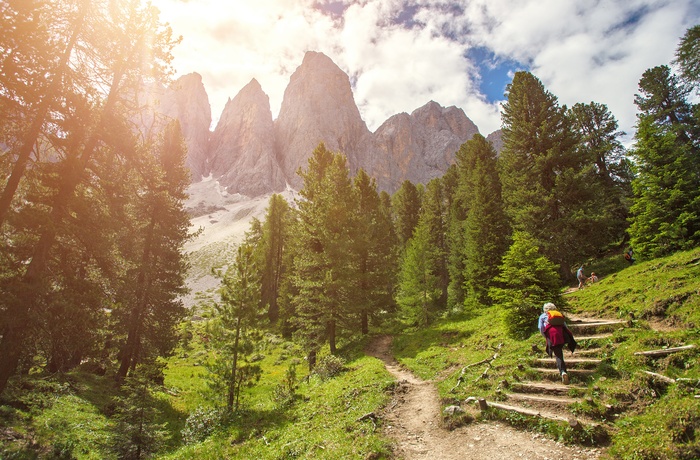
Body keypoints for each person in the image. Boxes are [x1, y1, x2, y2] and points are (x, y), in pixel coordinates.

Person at [538, 302, 576, 385]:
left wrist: (545, 336)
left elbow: (541, 328)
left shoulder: (543, 316)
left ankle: (563, 372)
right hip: (561, 334)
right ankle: (563, 371)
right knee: (559, 351)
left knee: (558, 354)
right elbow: (565, 326)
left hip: (552, 335)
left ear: (545, 309)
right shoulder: (558, 314)